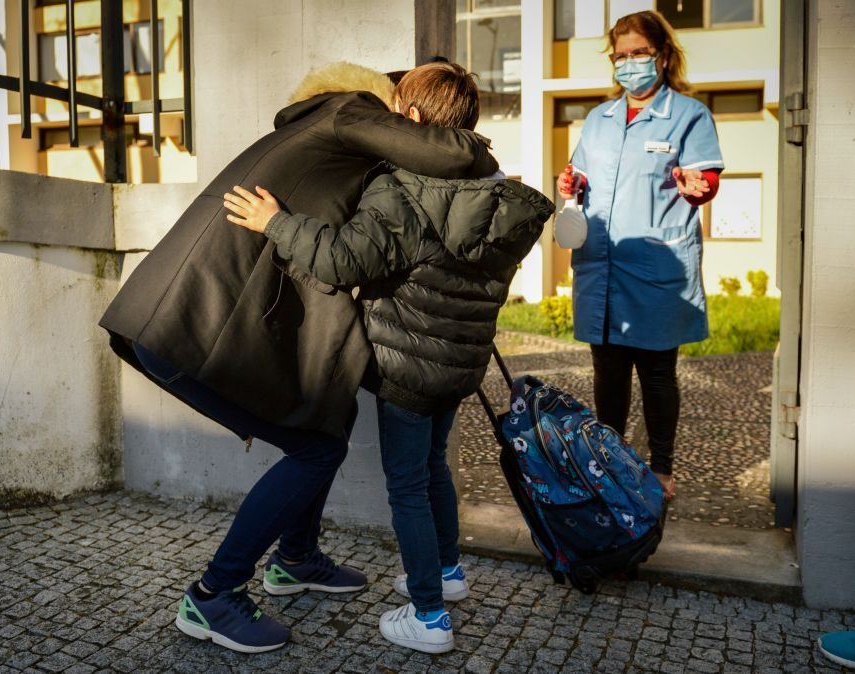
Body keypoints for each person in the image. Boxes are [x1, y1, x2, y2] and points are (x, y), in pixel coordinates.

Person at [99, 62, 498, 654]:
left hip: (205, 325)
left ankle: (295, 559)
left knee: (326, 423)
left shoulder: (330, 139)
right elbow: (460, 157)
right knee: (318, 449)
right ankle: (213, 596)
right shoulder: (347, 109)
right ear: (396, 111)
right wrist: (485, 158)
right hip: (186, 327)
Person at [223, 62, 553, 654]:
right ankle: (447, 574)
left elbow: (343, 261)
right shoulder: (498, 190)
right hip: (458, 364)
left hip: (406, 365)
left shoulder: (404, 189)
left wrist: (274, 221)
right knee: (432, 472)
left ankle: (428, 616)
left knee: (406, 485)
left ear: (413, 119)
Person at [556, 10, 723, 500]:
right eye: (620, 56)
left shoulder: (689, 115)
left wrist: (700, 189)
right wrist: (572, 183)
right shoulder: (599, 119)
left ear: (662, 56)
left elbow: (703, 180)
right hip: (601, 263)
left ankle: (662, 468)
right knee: (607, 369)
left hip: (655, 266)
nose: (629, 64)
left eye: (638, 54)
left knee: (655, 371)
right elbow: (582, 175)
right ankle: (610, 457)